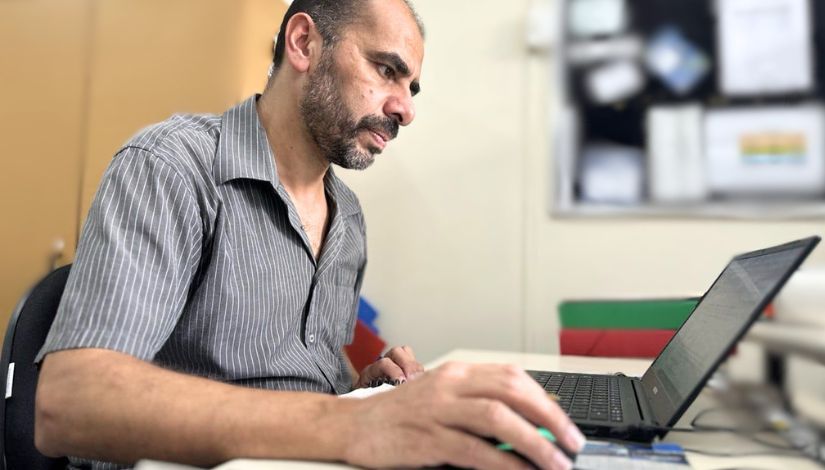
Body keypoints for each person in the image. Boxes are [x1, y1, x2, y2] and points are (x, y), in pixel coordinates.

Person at [34, 1, 585, 469]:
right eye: (386, 70)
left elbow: (296, 375)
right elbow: (71, 402)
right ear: (303, 43)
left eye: (412, 86)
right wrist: (354, 421)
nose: (406, 109)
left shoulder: (347, 218)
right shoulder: (172, 167)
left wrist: (358, 388)